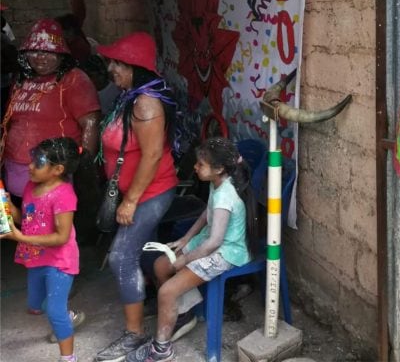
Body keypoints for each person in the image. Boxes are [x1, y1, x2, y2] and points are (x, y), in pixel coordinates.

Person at [127, 137, 259, 362]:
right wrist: (186, 239)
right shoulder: (216, 183)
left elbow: (215, 243)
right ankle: (183, 314)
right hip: (209, 241)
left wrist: (186, 258)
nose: (195, 167)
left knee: (166, 291)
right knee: (161, 266)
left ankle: (162, 349)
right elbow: (207, 214)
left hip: (226, 253)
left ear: (218, 169)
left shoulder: (226, 195)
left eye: (200, 164)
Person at [94, 32, 180, 362]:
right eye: (112, 61)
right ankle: (182, 300)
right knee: (145, 251)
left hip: (152, 191)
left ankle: (133, 335)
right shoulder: (129, 95)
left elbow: (153, 154)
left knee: (121, 257)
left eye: (118, 63)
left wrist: (131, 201)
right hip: (136, 190)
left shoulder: (146, 103)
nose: (111, 68)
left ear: (135, 67)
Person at [0, 137, 87, 362]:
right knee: (36, 305)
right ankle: (68, 316)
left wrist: (21, 237)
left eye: (37, 163)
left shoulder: (64, 195)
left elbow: (62, 236)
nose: (29, 166)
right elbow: (26, 218)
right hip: (36, 257)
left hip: (60, 261)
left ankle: (68, 357)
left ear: (57, 169)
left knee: (54, 311)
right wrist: (9, 207)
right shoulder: (31, 186)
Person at [1, 19, 101, 205]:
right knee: (16, 224)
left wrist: (83, 165)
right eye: (35, 51)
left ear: (62, 55)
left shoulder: (74, 79)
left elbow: (91, 122)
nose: (40, 57)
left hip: (54, 171)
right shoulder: (21, 79)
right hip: (14, 170)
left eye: (48, 52)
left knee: (48, 226)